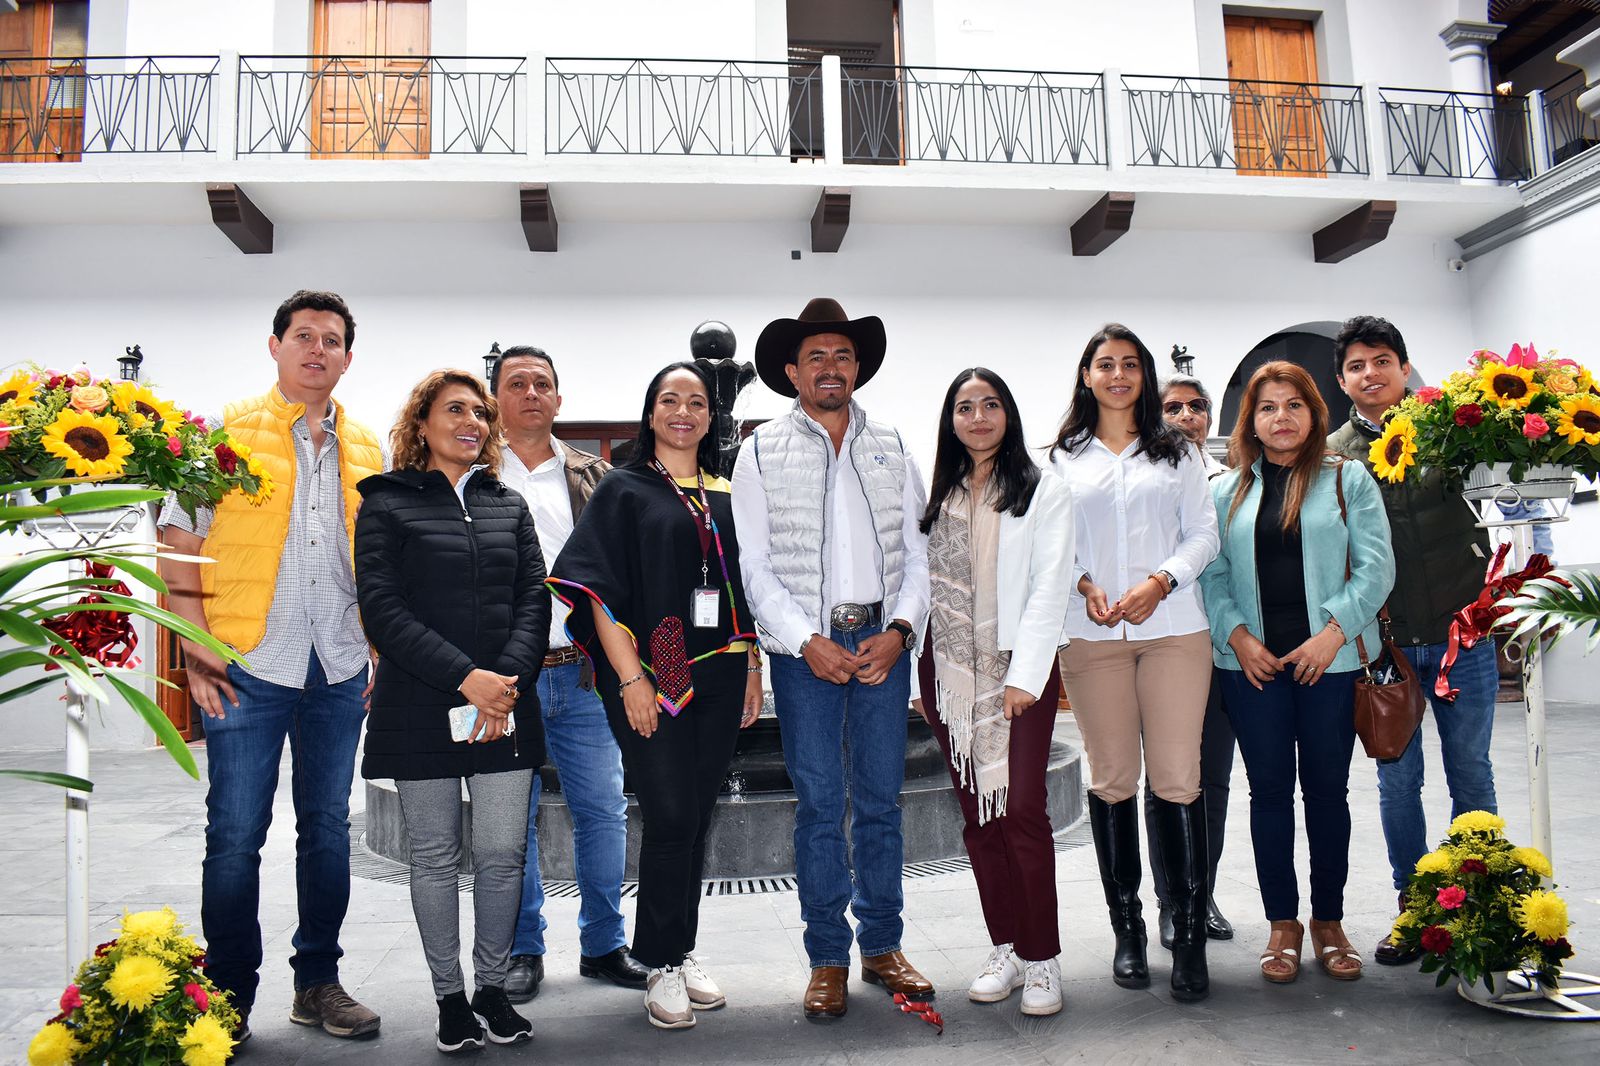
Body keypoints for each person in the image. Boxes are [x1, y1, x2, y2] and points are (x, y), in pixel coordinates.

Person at [157, 290, 383, 1045]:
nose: (318, 349)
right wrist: (195, 648)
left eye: (332, 339)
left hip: (338, 664)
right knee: (234, 834)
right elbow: (177, 545)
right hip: (246, 665)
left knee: (327, 830)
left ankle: (318, 982)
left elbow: (380, 560)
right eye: (304, 335)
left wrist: (376, 646)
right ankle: (226, 999)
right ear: (275, 345)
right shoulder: (221, 434)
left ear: (347, 357)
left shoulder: (368, 449)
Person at [732, 298, 932, 1021]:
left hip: (883, 644)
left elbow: (920, 553)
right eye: (815, 356)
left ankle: (882, 945)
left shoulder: (894, 446)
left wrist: (902, 629)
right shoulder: (758, 450)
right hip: (804, 653)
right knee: (819, 807)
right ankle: (826, 957)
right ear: (792, 372)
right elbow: (753, 565)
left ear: (857, 369)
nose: (830, 367)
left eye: (842, 356)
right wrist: (804, 640)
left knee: (880, 802)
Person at [548, 362, 763, 1031]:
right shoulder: (624, 487)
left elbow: (743, 587)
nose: (683, 411)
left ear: (710, 416)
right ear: (650, 414)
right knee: (669, 815)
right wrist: (631, 679)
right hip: (656, 665)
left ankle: (680, 948)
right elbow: (596, 590)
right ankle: (660, 961)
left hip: (724, 669)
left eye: (696, 402)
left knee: (695, 817)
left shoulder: (727, 491)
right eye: (670, 399)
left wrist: (752, 665)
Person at [355, 370, 548, 1053]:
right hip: (421, 702)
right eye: (455, 409)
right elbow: (382, 608)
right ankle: (450, 999)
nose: (472, 422)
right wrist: (466, 678)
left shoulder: (508, 505)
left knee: (501, 853)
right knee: (434, 857)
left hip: (504, 706)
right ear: (423, 422)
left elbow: (534, 599)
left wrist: (504, 683)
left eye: (480, 413)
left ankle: (492, 989)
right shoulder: (385, 503)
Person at [1199, 361, 1395, 984]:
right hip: (1252, 669)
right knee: (1269, 795)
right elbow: (1211, 576)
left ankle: (1329, 921)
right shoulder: (1225, 492)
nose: (1280, 417)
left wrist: (1332, 634)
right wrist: (1238, 637)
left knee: (1328, 795)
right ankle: (1282, 923)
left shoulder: (1348, 479)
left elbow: (1376, 568)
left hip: (1328, 666)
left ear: (1313, 414)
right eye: (1267, 407)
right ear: (1250, 422)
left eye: (1293, 405)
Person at [1048, 323, 1220, 1003]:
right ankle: (1128, 929)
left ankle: (1189, 934)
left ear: (1144, 375)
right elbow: (1049, 543)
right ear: (1086, 375)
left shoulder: (1177, 451)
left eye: (1129, 364)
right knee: (1113, 779)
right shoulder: (1061, 458)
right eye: (1105, 364)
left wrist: (1162, 581)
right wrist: (1083, 583)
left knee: (1177, 779)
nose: (1117, 375)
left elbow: (1204, 534)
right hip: (1090, 636)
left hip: (1173, 629)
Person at [1326, 315, 1499, 966]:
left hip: (1463, 637)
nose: (1370, 374)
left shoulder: (1450, 430)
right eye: (1356, 366)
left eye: (1381, 361)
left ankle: (1480, 905)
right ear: (1342, 379)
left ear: (1403, 367)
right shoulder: (1333, 453)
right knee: (1398, 784)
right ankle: (1417, 908)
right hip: (1385, 649)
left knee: (1472, 774)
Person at [911, 368, 1074, 1016]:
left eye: (990, 404)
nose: (977, 417)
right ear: (951, 420)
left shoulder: (1043, 489)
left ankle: (1042, 958)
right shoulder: (940, 494)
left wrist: (1023, 678)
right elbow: (921, 589)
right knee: (980, 817)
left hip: (1019, 674)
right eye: (964, 407)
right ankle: (1005, 945)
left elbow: (1050, 586)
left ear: (1008, 414)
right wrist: (921, 680)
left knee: (1024, 809)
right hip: (951, 677)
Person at [491, 347, 647, 1001]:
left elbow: (625, 575)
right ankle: (523, 948)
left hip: (583, 674)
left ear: (559, 399)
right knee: (511, 820)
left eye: (542, 384)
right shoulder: (472, 473)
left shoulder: (595, 476)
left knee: (604, 812)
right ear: (496, 397)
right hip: (506, 681)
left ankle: (605, 945)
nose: (531, 393)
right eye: (516, 383)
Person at [1146, 373, 1237, 947]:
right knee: (1167, 778)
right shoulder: (1148, 480)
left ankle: (1203, 893)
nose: (1186, 416)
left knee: (1214, 781)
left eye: (1196, 406)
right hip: (1167, 642)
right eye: (1172, 407)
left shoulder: (1232, 480)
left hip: (1222, 648)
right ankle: (1170, 898)